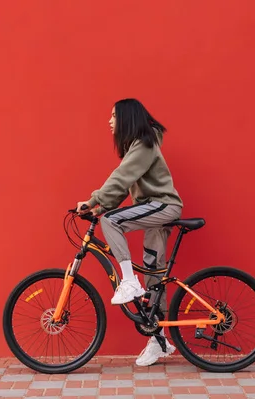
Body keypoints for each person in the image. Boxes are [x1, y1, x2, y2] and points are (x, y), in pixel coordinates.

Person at [76, 98, 183, 366]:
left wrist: (93, 199)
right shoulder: (137, 146)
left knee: (112, 223)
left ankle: (128, 282)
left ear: (126, 117)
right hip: (154, 210)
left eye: (113, 115)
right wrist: (101, 207)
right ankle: (158, 341)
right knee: (153, 275)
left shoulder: (145, 143)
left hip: (162, 206)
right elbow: (125, 185)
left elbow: (121, 175)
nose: (109, 121)